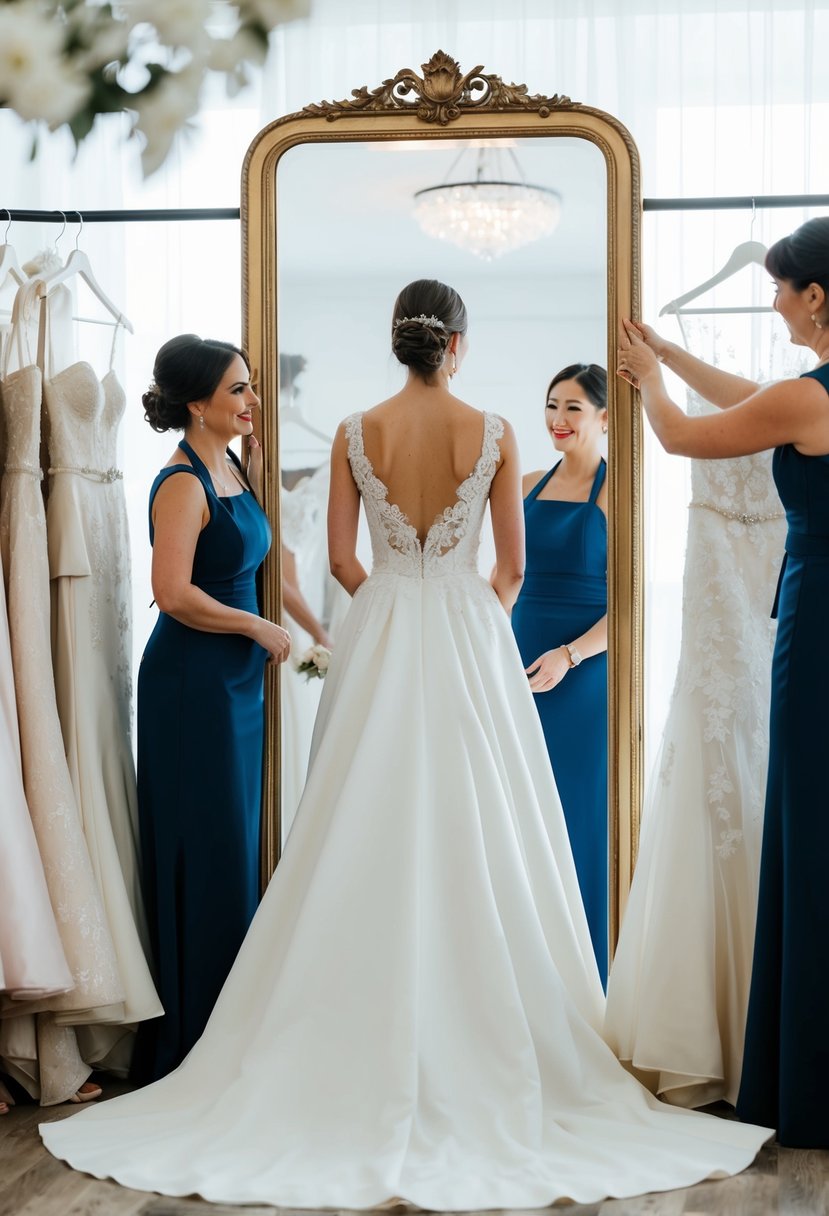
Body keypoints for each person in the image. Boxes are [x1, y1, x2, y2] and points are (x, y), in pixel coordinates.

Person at [41, 283, 770, 1209]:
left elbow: (340, 561)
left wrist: (395, 591)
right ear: (457, 347)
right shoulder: (499, 431)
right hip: (465, 627)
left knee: (358, 813)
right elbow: (509, 567)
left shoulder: (352, 430)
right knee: (485, 820)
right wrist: (464, 611)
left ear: (399, 346)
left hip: (383, 620)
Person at [616, 216, 829, 1147]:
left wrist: (650, 383)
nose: (773, 300)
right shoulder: (806, 396)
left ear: (814, 296)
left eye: (782, 287)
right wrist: (673, 348)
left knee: (810, 827)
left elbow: (686, 439)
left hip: (819, 621)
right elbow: (758, 398)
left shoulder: (810, 399)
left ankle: (809, 1078)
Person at [129, 334, 291, 1084]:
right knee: (210, 853)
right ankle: (197, 1041)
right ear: (197, 403)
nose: (252, 401)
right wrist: (255, 625)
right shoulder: (182, 484)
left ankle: (237, 1026)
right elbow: (175, 594)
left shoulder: (230, 466)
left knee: (236, 849)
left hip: (235, 684)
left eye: (250, 387)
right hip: (192, 683)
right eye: (238, 390)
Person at [509, 364, 609, 984]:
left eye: (573, 408)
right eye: (551, 406)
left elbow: (630, 607)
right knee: (519, 817)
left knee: (578, 815)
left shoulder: (617, 490)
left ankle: (583, 973)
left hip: (584, 671)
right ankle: (524, 971)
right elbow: (505, 579)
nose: (558, 421)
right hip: (518, 659)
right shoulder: (524, 485)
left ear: (604, 416)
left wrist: (569, 655)